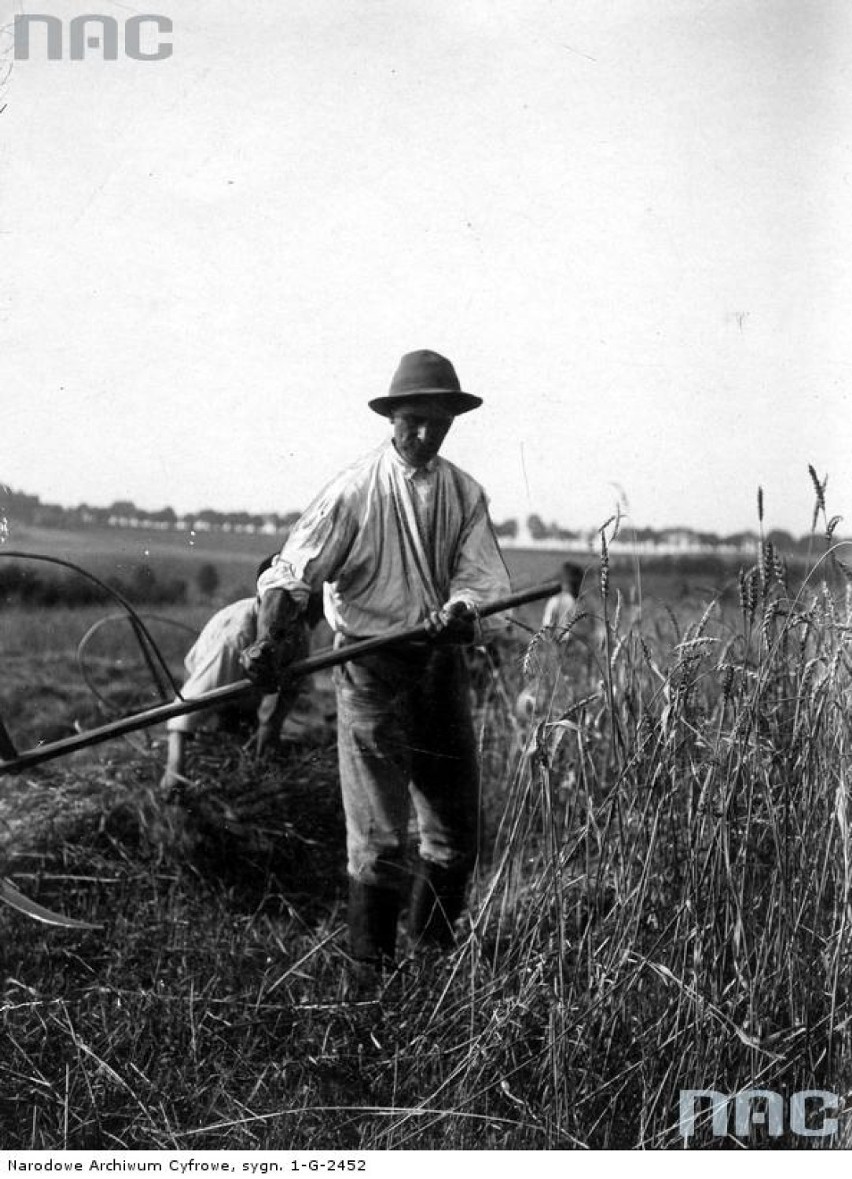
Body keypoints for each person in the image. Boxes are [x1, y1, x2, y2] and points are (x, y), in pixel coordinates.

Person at [241, 349, 511, 968]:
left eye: (438, 422)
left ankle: (433, 960)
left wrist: (462, 608)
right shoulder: (356, 489)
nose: (424, 434)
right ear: (391, 418)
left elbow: (483, 579)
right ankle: (369, 982)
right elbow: (293, 570)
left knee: (453, 833)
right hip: (369, 671)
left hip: (439, 668)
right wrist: (272, 638)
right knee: (380, 836)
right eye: (413, 420)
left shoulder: (465, 494)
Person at [160, 558, 311, 790]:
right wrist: (174, 768)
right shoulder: (234, 639)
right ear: (262, 601)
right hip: (217, 697)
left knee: (258, 759)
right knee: (218, 755)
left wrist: (269, 727)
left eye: (291, 608)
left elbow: (291, 687)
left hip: (252, 698)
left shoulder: (298, 631)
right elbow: (184, 711)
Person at [541, 561, 585, 638]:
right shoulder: (572, 601)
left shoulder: (554, 600)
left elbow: (546, 627)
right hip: (567, 644)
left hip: (559, 643)